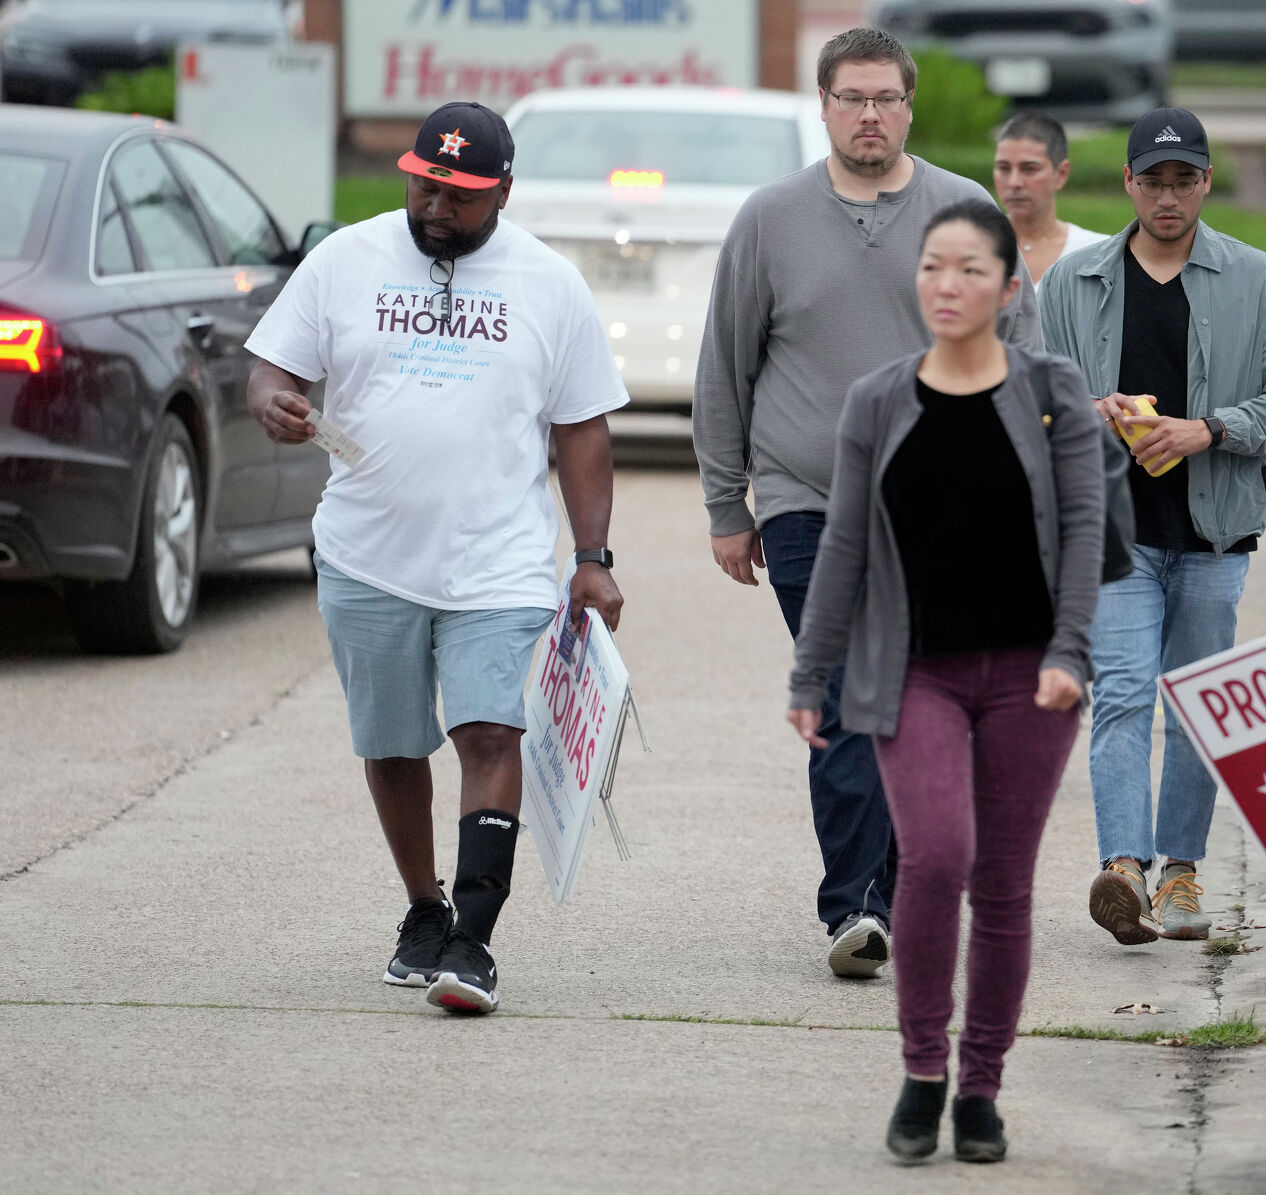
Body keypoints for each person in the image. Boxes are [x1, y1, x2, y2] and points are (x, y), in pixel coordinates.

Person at [244, 101, 627, 1015]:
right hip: (366, 555)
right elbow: (270, 367)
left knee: (490, 732)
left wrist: (593, 555)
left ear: (500, 190)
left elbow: (582, 430)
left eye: (456, 194)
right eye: (423, 184)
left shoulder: (548, 283)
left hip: (498, 561)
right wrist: (273, 402)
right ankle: (425, 905)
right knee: (390, 744)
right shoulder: (344, 260)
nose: (434, 207)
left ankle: (473, 942)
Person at [695, 26, 1043, 979]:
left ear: (909, 107)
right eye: (852, 98)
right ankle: (854, 903)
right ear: (823, 105)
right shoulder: (770, 219)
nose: (870, 116)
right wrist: (730, 504)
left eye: (886, 98)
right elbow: (725, 367)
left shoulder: (963, 211)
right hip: (811, 500)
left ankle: (891, 892)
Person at [787, 200, 1104, 1164]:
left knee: (1004, 884)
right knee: (936, 855)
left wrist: (1069, 651)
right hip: (910, 669)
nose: (948, 286)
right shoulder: (878, 400)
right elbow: (842, 541)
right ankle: (922, 1067)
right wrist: (811, 670)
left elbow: (1086, 530)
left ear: (1012, 290)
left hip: (1027, 676)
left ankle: (981, 1088)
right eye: (934, 268)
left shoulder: (1053, 392)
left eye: (972, 270)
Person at [1038, 107, 1266, 946]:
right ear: (1127, 184)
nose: (1168, 196)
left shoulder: (1258, 279)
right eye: (1152, 180)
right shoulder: (1075, 281)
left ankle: (1183, 875)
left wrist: (1209, 429)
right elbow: (1032, 397)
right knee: (1123, 692)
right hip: (1114, 529)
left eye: (1183, 179)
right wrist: (1086, 410)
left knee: (1198, 706)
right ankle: (1122, 869)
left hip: (1216, 533)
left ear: (1204, 182)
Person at [992, 112, 1109, 284]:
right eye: (1004, 168)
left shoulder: (1097, 253)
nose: (1014, 182)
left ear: (1061, 174)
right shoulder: (972, 248)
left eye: (1029, 169)